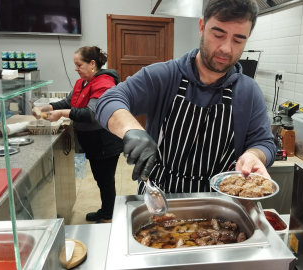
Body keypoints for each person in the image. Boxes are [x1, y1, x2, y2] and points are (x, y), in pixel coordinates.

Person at [95, 0, 275, 194]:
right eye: (218, 34)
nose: (226, 48)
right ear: (201, 27)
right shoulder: (165, 76)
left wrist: (254, 155)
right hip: (160, 196)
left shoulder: (249, 92)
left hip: (218, 202)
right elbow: (108, 99)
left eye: (238, 40)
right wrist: (131, 130)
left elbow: (264, 143)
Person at [32, 46, 123, 223]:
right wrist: (46, 108)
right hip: (93, 142)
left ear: (92, 63)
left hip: (105, 141)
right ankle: (106, 210)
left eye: (78, 64)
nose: (76, 68)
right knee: (100, 179)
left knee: (105, 181)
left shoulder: (104, 83)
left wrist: (62, 114)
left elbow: (92, 114)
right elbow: (68, 102)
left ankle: (107, 217)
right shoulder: (82, 83)